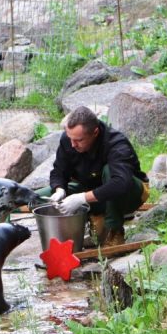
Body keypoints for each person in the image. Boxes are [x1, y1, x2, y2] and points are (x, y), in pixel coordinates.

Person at [48, 106, 149, 247]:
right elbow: (58, 171)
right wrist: (59, 189)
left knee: (110, 173)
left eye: (79, 140)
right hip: (91, 189)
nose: (72, 144)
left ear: (95, 132)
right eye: (70, 138)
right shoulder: (69, 140)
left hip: (130, 194)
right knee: (42, 196)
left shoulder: (116, 143)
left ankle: (115, 231)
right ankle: (92, 221)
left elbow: (121, 183)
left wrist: (81, 198)